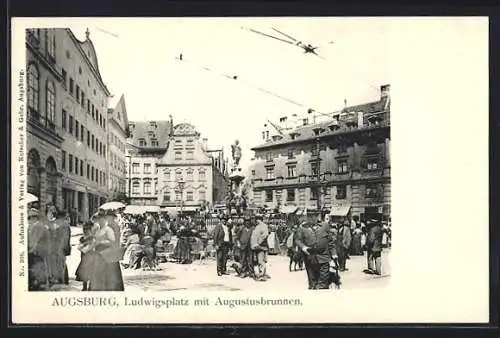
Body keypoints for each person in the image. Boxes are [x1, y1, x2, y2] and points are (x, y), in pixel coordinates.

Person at [88, 213, 125, 291]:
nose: (100, 221)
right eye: (98, 220)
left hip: (106, 253)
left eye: (102, 219)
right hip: (98, 253)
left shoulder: (109, 228)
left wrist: (101, 242)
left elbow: (112, 241)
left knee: (107, 272)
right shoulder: (98, 229)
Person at [312, 221, 338, 289]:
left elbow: (331, 243)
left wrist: (334, 254)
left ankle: (322, 288)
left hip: (324, 256)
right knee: (314, 278)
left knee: (323, 276)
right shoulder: (307, 227)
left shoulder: (325, 226)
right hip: (312, 258)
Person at [75, 221, 99, 290]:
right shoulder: (83, 238)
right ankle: (84, 286)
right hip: (84, 257)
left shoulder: (92, 238)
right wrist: (82, 245)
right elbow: (79, 247)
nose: (85, 231)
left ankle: (90, 286)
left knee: (91, 271)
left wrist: (83, 246)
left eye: (87, 229)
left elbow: (88, 248)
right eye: (84, 229)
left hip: (91, 257)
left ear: (91, 230)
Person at [294, 221, 318, 289]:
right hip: (309, 252)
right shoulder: (302, 228)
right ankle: (312, 285)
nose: (313, 217)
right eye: (310, 215)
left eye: (315, 215)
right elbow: (298, 240)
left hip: (321, 252)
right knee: (310, 269)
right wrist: (303, 247)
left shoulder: (322, 226)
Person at [250, 214, 270, 281]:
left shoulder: (263, 226)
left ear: (259, 219)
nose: (256, 220)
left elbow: (265, 235)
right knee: (259, 261)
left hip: (261, 246)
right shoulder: (258, 226)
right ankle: (261, 274)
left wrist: (258, 243)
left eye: (257, 219)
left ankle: (262, 275)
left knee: (261, 261)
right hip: (258, 246)